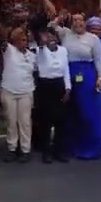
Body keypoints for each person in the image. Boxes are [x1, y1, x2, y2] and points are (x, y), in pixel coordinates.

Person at [38, 0, 101, 160]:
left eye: (80, 20)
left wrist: (100, 78)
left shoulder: (93, 39)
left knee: (86, 112)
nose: (77, 23)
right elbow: (51, 24)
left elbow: (98, 60)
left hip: (87, 76)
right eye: (74, 20)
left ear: (85, 22)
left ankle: (90, 147)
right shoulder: (66, 34)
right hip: (68, 76)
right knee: (69, 112)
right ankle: (68, 147)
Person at [0, 26, 37, 161]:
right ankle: (12, 148)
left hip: (26, 91)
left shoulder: (32, 55)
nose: (23, 42)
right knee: (11, 121)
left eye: (25, 40)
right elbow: (2, 36)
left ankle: (25, 149)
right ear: (15, 41)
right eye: (20, 40)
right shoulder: (9, 50)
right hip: (9, 90)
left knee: (25, 122)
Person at [32, 25, 69, 161]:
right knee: (45, 122)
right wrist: (43, 42)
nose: (51, 39)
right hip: (45, 86)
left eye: (53, 36)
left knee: (61, 121)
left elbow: (66, 71)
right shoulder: (40, 50)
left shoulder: (63, 50)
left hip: (59, 85)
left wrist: (68, 88)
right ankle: (46, 152)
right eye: (48, 37)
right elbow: (41, 46)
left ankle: (59, 151)